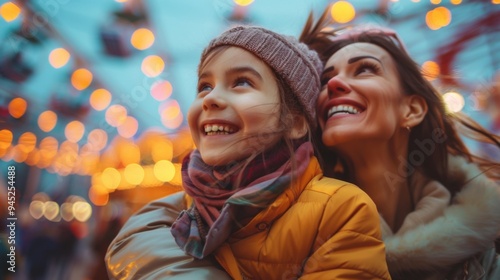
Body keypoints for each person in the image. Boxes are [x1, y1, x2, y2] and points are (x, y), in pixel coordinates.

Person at [106, 25, 391, 279]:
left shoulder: (339, 209)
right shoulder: (184, 208)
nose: (211, 98)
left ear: (295, 121)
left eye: (242, 82)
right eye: (204, 86)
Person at [300, 8, 500, 280]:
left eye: (365, 69)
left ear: (412, 110)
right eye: (326, 79)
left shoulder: (488, 249)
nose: (334, 83)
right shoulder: (294, 234)